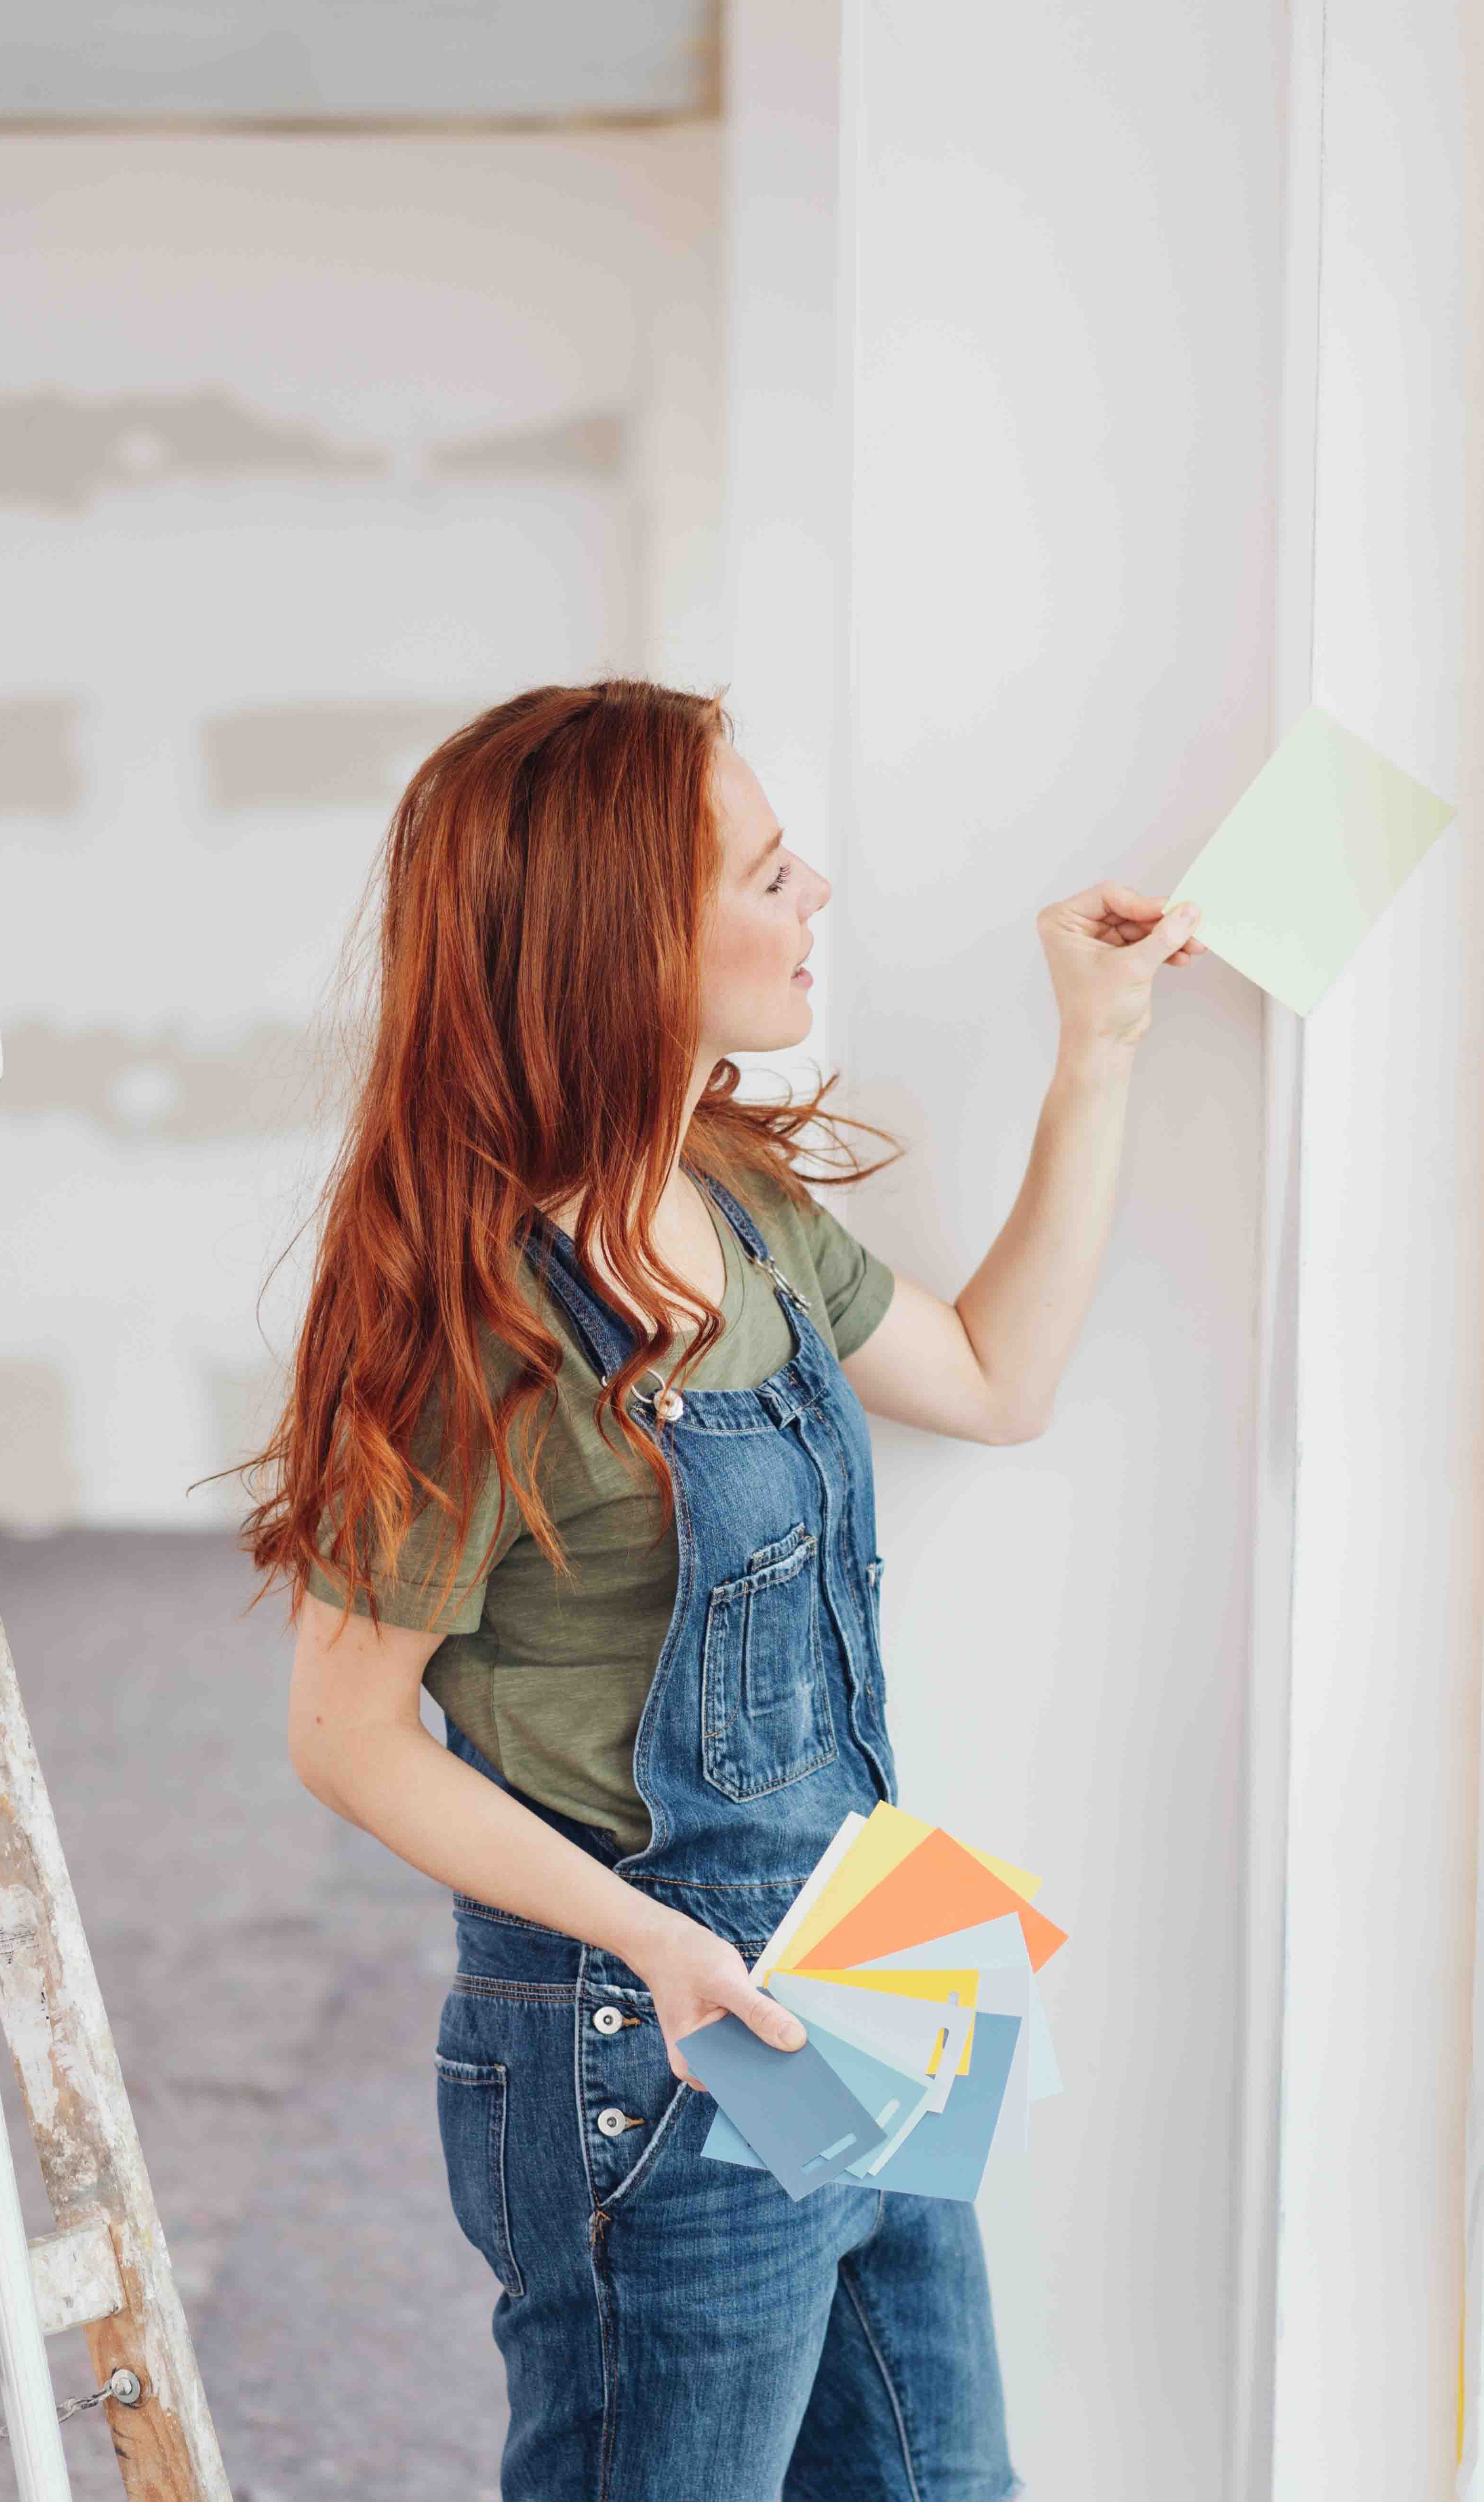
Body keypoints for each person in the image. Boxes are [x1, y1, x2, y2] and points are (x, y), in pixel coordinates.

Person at [239, 677, 1203, 2500]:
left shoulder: (738, 1203)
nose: (815, 892)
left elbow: (998, 1377)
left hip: (876, 1959)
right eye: (767, 871)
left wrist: (1103, 1044)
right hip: (652, 2032)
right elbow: (345, 1734)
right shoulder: (477, 1308)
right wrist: (654, 1939)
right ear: (629, 941)